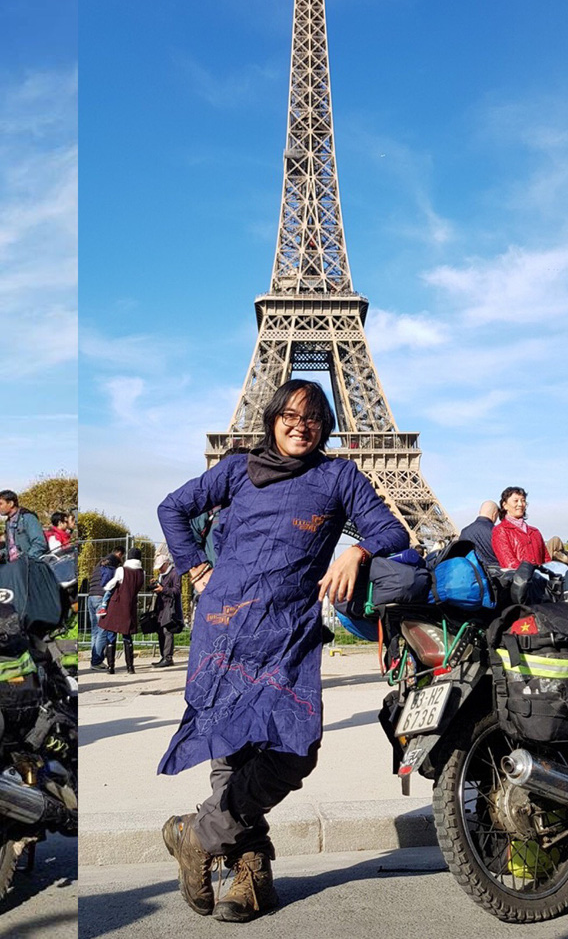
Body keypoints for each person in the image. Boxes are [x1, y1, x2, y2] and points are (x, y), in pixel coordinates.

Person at [157, 379, 407, 923]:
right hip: (225, 627)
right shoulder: (238, 468)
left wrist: (357, 551)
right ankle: (251, 880)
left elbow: (394, 531)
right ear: (271, 418)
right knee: (233, 749)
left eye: (314, 417)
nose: (301, 424)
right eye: (290, 414)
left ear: (326, 426)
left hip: (288, 631)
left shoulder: (338, 474)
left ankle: (195, 834)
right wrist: (195, 568)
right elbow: (173, 508)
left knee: (297, 747)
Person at [99, 555, 144, 675]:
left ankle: (111, 667)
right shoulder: (141, 573)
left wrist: (106, 588)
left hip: (116, 603)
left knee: (111, 635)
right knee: (127, 636)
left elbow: (113, 584)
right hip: (129, 606)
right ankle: (130, 667)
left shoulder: (121, 570)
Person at [491, 487, 551, 570]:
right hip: (517, 580)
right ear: (505, 505)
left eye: (523, 500)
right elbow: (509, 563)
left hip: (541, 580)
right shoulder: (501, 530)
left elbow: (547, 560)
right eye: (516, 501)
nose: (520, 504)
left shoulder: (535, 532)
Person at [87, 552, 120, 670]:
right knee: (102, 630)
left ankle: (94, 658)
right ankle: (96, 661)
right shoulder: (110, 570)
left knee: (95, 631)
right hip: (101, 599)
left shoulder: (98, 567)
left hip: (91, 597)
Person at [0, 489, 47, 560]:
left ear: (11, 503)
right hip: (16, 567)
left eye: (0, 504)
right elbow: (12, 549)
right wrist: (0, 553)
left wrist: (27, 560)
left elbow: (39, 544)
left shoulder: (27, 518)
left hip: (31, 567)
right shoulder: (8, 523)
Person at [151, 550, 182, 668]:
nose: (159, 569)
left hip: (170, 607)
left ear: (166, 564)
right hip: (161, 606)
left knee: (167, 631)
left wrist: (162, 589)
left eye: (161, 567)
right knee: (160, 631)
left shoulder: (174, 573)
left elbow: (177, 591)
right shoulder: (162, 575)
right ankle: (164, 656)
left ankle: (168, 657)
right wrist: (156, 584)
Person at [458, 500, 500, 571]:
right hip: (495, 576)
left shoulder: (464, 531)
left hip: (473, 575)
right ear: (494, 514)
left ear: (480, 512)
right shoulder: (496, 531)